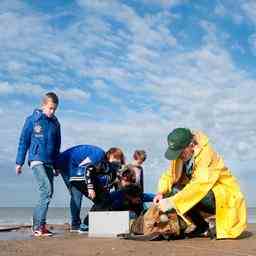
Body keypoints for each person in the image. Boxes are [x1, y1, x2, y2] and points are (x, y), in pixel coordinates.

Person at [154, 128, 247, 239]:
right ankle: (201, 226)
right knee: (173, 190)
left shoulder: (207, 154)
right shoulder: (179, 157)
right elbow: (169, 175)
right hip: (200, 193)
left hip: (222, 197)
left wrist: (172, 202)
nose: (178, 156)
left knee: (179, 195)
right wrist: (160, 192)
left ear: (191, 145)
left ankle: (217, 224)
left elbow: (200, 185)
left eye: (180, 152)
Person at [15, 92, 61, 237]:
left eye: (55, 109)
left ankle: (39, 224)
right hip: (36, 160)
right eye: (50, 108)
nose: (52, 112)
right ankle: (38, 227)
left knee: (48, 193)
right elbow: (24, 141)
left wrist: (56, 165)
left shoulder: (56, 123)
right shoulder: (32, 120)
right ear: (43, 105)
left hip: (49, 162)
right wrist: (19, 162)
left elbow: (56, 146)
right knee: (46, 190)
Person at [54, 145, 125, 233]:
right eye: (116, 159)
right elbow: (87, 168)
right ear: (110, 155)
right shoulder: (99, 155)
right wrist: (90, 188)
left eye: (119, 161)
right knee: (98, 200)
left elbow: (102, 181)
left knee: (102, 200)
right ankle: (83, 225)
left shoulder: (108, 166)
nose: (118, 162)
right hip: (76, 172)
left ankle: (80, 225)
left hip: (75, 171)